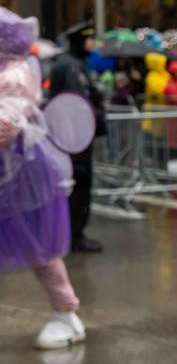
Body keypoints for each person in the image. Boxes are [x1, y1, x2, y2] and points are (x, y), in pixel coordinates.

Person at [0, 8, 86, 348]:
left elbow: (6, 124)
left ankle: (66, 315)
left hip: (22, 178)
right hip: (12, 175)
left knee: (40, 248)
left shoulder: (12, 74)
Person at [48, 21, 105, 253]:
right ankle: (74, 235)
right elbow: (77, 103)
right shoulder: (71, 66)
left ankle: (72, 234)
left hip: (74, 136)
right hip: (75, 137)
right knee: (79, 186)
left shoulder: (74, 64)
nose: (92, 42)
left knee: (78, 186)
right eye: (88, 38)